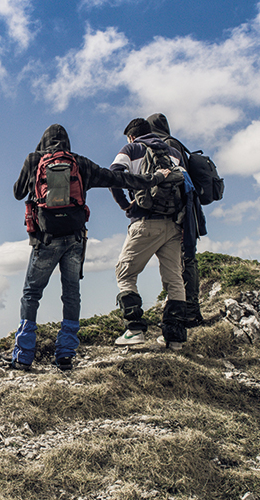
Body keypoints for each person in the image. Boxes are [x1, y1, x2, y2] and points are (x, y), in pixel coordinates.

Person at [12, 123, 171, 370]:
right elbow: (120, 178)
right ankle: (65, 354)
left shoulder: (35, 159)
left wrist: (35, 162)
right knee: (71, 294)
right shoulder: (80, 163)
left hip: (45, 239)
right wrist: (156, 178)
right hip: (74, 240)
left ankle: (23, 356)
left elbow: (18, 192)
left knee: (31, 293)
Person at [108, 118, 188, 350]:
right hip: (173, 223)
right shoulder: (173, 152)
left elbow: (114, 175)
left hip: (145, 221)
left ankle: (134, 330)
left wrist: (126, 205)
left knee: (125, 273)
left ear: (131, 136)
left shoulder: (131, 149)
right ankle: (175, 338)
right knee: (174, 278)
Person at [147, 113, 208, 328]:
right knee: (184, 259)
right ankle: (188, 309)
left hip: (181, 213)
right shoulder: (176, 143)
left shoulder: (166, 145)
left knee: (184, 259)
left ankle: (189, 312)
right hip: (188, 210)